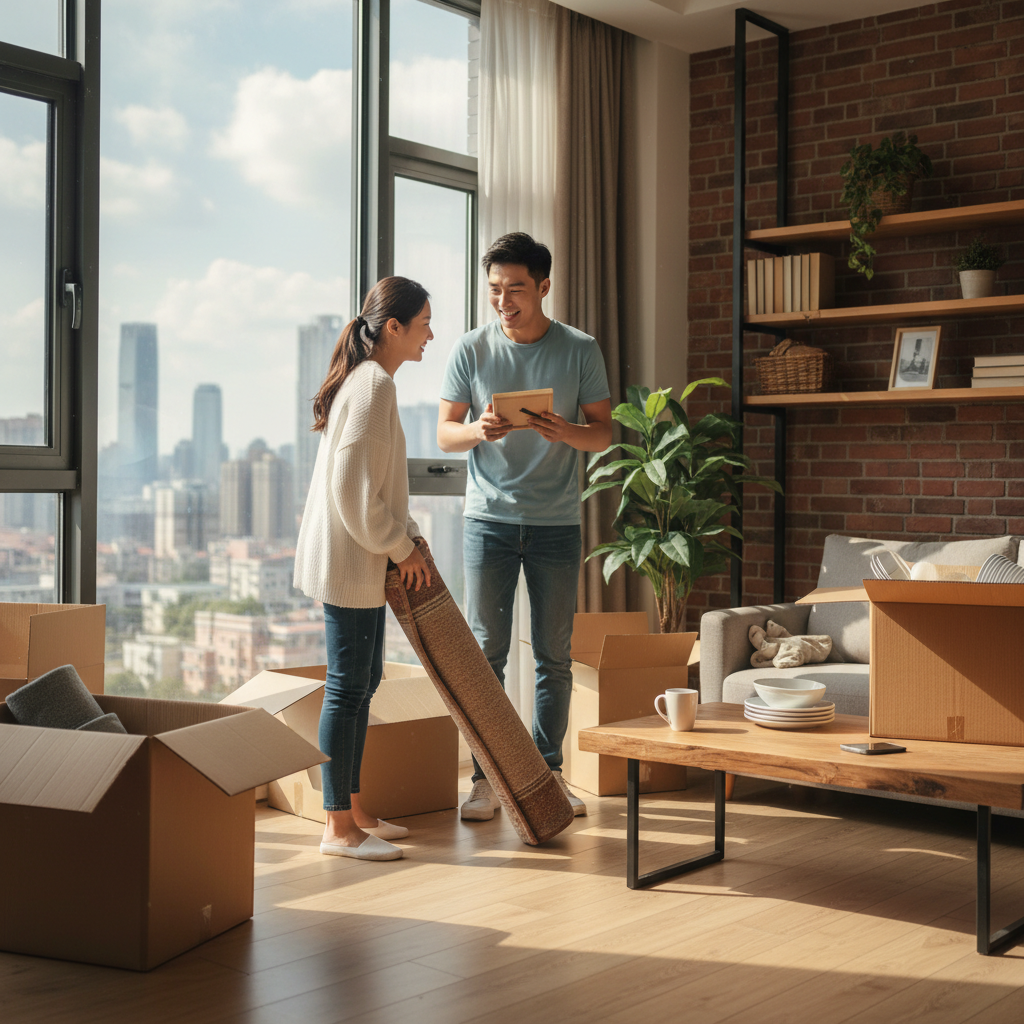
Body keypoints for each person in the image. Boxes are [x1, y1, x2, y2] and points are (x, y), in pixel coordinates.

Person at [437, 232, 612, 820]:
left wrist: (566, 432)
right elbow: (445, 434)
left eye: (515, 288)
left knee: (553, 656)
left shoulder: (580, 349)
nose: (503, 301)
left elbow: (603, 432)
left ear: (543, 287)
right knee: (485, 655)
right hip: (487, 521)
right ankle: (486, 779)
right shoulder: (470, 348)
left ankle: (547, 775)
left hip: (556, 523)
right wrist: (477, 430)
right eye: (494, 289)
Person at [294, 276, 434, 862]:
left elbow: (376, 487)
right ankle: (337, 827)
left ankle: (352, 810)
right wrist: (403, 548)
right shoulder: (374, 384)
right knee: (349, 687)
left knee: (363, 681)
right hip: (351, 559)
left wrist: (408, 538)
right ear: (393, 328)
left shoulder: (370, 381)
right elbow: (354, 493)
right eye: (424, 324)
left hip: (357, 558)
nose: (430, 335)